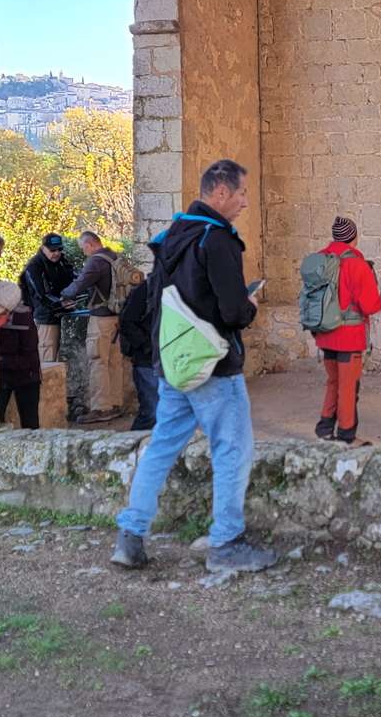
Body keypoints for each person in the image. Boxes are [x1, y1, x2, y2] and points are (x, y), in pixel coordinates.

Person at [111, 160, 278, 574]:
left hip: (173, 363)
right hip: (213, 366)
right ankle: (226, 543)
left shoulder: (173, 236)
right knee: (233, 448)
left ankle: (130, 536)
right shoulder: (217, 239)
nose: (244, 203)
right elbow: (232, 312)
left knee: (162, 446)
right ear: (220, 192)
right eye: (241, 193)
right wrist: (250, 304)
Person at [308, 216, 381, 445]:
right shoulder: (357, 265)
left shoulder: (320, 260)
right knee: (348, 386)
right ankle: (347, 436)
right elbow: (370, 306)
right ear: (354, 237)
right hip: (349, 336)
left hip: (324, 332)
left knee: (333, 381)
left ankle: (324, 429)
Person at [60, 230, 125, 423]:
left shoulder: (96, 261)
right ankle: (116, 404)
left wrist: (64, 295)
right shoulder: (115, 257)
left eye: (83, 248)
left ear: (89, 244)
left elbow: (79, 285)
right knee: (114, 362)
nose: (83, 252)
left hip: (101, 318)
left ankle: (101, 407)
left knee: (97, 361)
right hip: (118, 317)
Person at [116, 239, 162, 432]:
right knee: (151, 412)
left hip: (167, 360)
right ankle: (128, 446)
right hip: (147, 361)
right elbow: (127, 322)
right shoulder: (145, 290)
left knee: (166, 414)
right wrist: (147, 346)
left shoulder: (175, 289)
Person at [0, 280, 43, 429]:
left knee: (30, 423)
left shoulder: (24, 322)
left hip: (26, 377)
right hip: (2, 377)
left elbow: (28, 359)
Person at [20, 233, 75, 362]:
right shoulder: (34, 266)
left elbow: (72, 279)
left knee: (55, 360)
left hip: (59, 316)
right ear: (43, 248)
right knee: (47, 361)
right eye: (52, 250)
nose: (56, 253)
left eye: (59, 249)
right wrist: (61, 304)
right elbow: (41, 294)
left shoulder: (61, 263)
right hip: (45, 319)